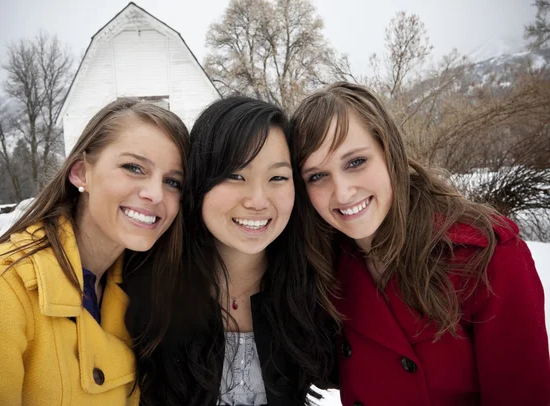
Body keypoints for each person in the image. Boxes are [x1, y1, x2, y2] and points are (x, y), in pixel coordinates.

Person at [289, 81, 550, 406]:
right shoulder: (326, 262)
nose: (342, 192)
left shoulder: (486, 257)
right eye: (317, 176)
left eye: (355, 162)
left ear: (389, 152)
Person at [0, 98, 189, 405]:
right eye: (134, 168)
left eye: (172, 181)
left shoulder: (137, 291)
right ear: (80, 173)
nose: (156, 194)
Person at [126, 96, 338, 406]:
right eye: (235, 175)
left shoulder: (319, 289)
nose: (257, 200)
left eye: (278, 177)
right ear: (199, 180)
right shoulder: (142, 284)